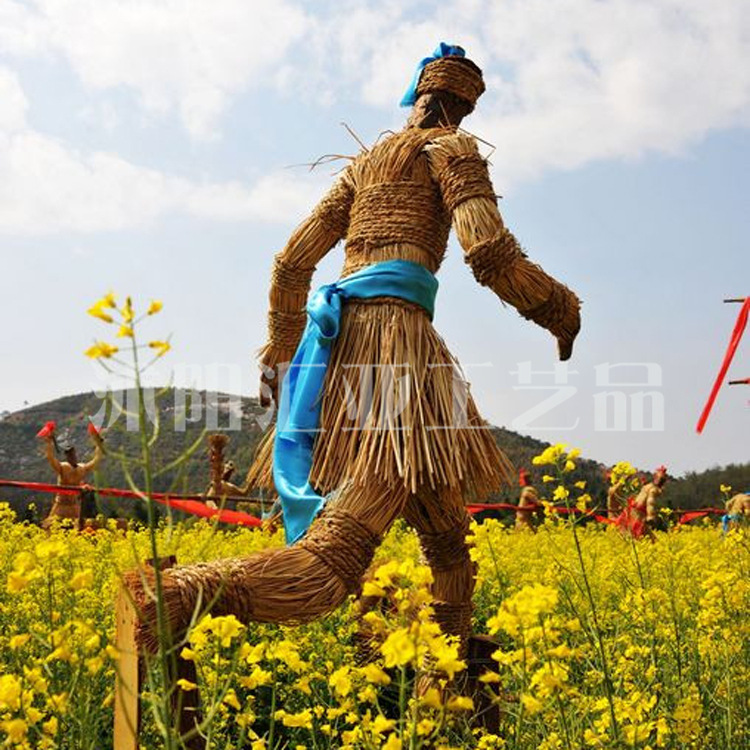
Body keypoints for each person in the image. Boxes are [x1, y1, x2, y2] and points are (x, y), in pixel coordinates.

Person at [127, 44, 581, 661]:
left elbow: (292, 264)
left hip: (344, 350)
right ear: (466, 104)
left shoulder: (365, 166)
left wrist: (284, 358)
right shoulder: (452, 150)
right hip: (395, 358)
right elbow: (488, 252)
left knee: (448, 535)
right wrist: (559, 310)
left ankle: (436, 670)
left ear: (420, 95)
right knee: (336, 559)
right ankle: (184, 593)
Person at [41, 427, 104, 529]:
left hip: (74, 506)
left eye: (73, 454)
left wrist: (99, 445)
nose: (72, 456)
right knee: (52, 530)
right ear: (67, 456)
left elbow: (95, 461)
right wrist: (49, 443)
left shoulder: (81, 468)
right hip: (61, 505)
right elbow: (50, 458)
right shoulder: (63, 467)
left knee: (77, 530)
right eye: (70, 454)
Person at [617, 466, 668, 538]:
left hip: (631, 511)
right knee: (644, 538)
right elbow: (650, 503)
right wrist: (650, 516)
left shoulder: (647, 486)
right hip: (638, 516)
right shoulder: (653, 489)